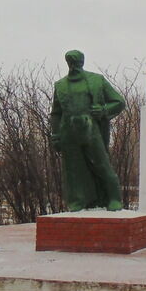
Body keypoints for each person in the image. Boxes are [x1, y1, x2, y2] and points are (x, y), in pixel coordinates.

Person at [49, 50, 125, 211]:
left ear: (82, 62)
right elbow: (56, 113)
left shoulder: (96, 80)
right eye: (71, 62)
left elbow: (118, 102)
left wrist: (104, 110)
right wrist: (56, 135)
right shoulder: (60, 85)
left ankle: (113, 197)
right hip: (68, 131)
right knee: (73, 170)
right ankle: (78, 201)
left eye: (77, 62)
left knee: (101, 164)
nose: (74, 65)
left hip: (91, 128)